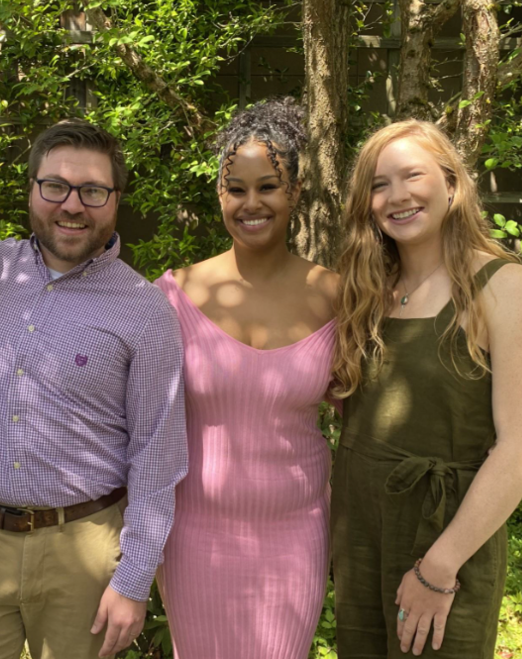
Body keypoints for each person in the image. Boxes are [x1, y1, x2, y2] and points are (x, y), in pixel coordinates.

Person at [0, 119, 188, 659]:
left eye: (92, 190)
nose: (72, 205)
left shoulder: (145, 311)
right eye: (55, 187)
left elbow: (157, 457)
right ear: (32, 191)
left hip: (86, 554)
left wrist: (133, 581)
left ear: (115, 200)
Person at [330, 120, 522, 657]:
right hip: (360, 534)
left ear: (452, 184)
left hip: (444, 537)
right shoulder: (368, 292)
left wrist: (439, 568)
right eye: (379, 184)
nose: (397, 196)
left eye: (413, 175)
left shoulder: (505, 287)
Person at [152, 97, 339, 658]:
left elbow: (362, 418)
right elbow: (142, 431)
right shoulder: (174, 295)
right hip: (195, 540)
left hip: (295, 538)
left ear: (296, 192)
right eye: (237, 188)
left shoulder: (338, 296)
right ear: (219, 194)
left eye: (268, 187)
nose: (251, 202)